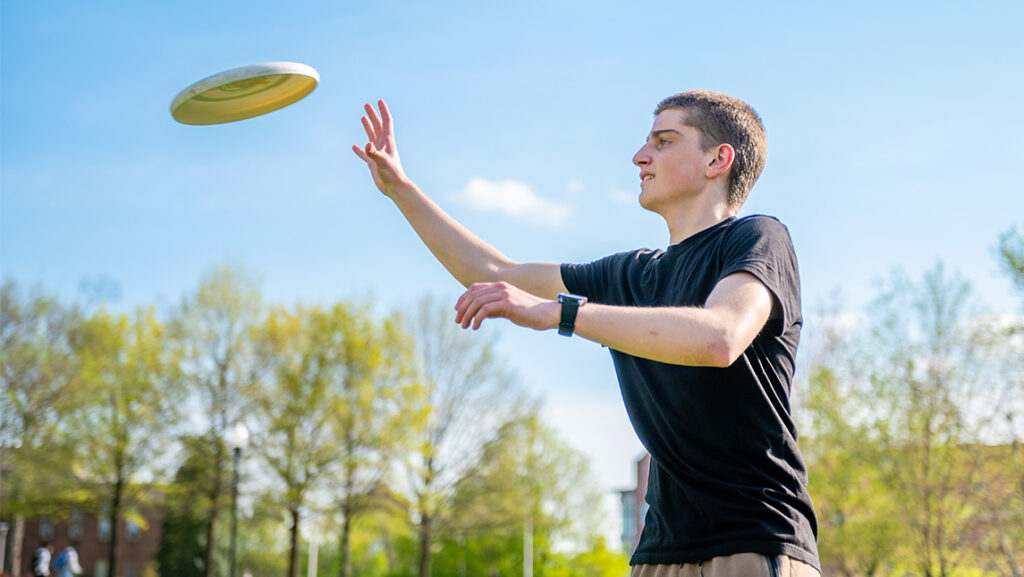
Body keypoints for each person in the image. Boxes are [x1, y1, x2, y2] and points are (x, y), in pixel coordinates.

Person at [353, 90, 820, 577]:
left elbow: (719, 338)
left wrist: (564, 313)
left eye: (664, 141)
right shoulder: (631, 276)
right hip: (659, 551)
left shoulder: (758, 237)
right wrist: (400, 188)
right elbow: (493, 271)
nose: (640, 156)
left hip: (754, 540)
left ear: (717, 159)